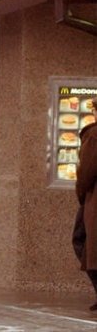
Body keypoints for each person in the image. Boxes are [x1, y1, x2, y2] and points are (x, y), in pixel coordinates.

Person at [75, 97, 97, 311]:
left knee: (81, 240)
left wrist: (81, 194)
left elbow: (86, 172)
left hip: (94, 201)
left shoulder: (94, 135)